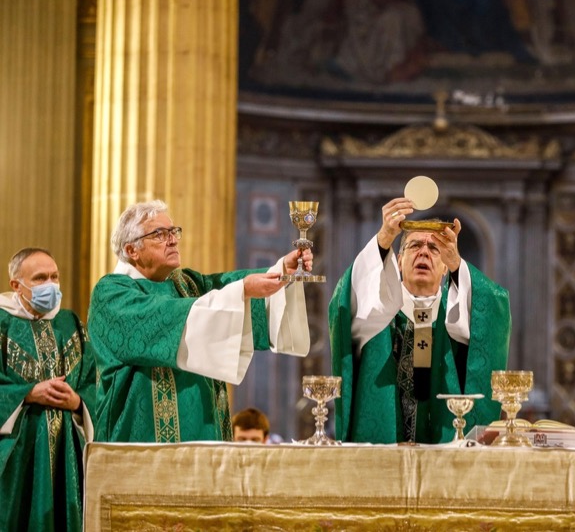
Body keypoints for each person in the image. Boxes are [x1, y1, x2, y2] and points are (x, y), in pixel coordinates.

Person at [88, 200, 311, 443]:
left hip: (204, 442)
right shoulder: (111, 294)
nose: (173, 240)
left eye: (174, 232)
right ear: (132, 250)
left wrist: (281, 271)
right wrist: (242, 290)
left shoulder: (186, 285)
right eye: (160, 234)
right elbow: (160, 317)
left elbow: (224, 287)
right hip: (139, 448)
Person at [329, 197, 510, 444]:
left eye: (435, 249)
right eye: (415, 246)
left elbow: (493, 310)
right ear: (398, 261)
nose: (424, 252)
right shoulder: (377, 313)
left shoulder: (458, 315)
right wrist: (384, 238)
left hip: (446, 451)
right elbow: (344, 302)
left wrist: (458, 264)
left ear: (445, 267)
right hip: (384, 451)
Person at [0, 248, 95, 532]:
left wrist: (78, 401)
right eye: (40, 278)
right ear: (16, 285)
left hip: (68, 455)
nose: (50, 285)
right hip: (17, 458)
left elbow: (95, 383)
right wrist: (27, 394)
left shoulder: (71, 324)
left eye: (55, 277)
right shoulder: (2, 324)